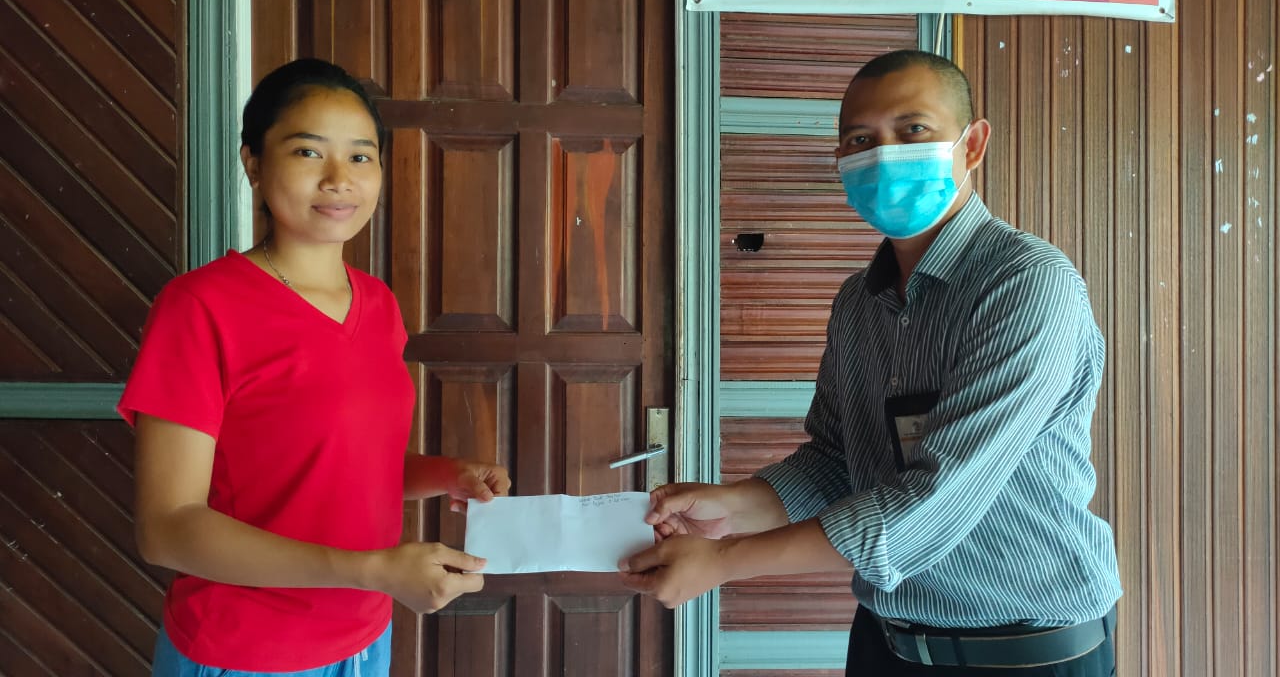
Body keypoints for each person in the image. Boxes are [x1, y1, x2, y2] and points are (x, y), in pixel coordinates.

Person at [619, 50, 1122, 675]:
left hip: (1024, 650)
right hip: (887, 641)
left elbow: (935, 500)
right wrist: (732, 507)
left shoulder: (1026, 283)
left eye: (913, 130)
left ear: (972, 145)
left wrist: (723, 563)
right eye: (861, 140)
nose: (885, 156)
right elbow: (836, 460)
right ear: (841, 160)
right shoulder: (858, 303)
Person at [120, 58, 510, 677]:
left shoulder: (377, 304)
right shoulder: (200, 307)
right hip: (248, 652)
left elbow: (340, 467)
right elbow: (167, 529)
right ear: (253, 162)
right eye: (308, 152)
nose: (339, 179)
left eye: (360, 157)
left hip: (364, 638)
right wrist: (371, 570)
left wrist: (448, 474)